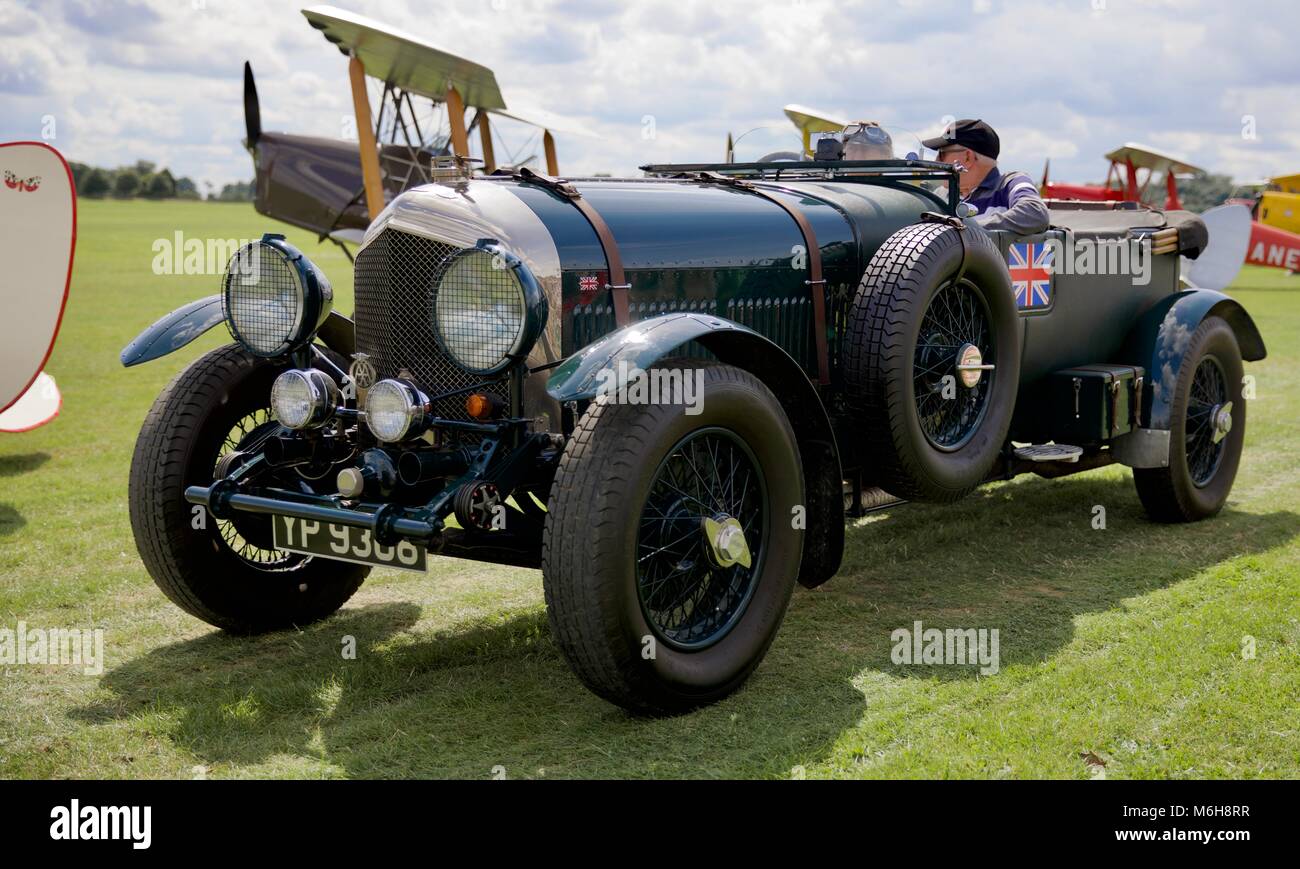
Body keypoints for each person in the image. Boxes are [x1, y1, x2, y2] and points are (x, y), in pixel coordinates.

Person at [922, 119, 1049, 234]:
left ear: (967, 157)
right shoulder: (941, 194)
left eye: (942, 154)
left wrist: (964, 229)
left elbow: (1036, 213)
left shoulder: (1010, 183)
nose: (936, 160)